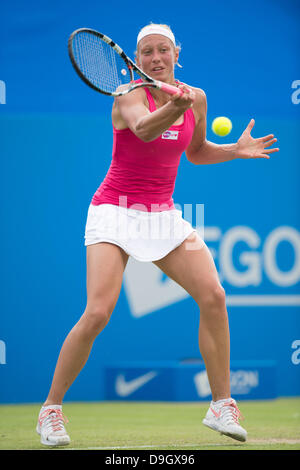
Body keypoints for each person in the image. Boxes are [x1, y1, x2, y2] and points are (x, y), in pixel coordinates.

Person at [36, 23, 279, 446]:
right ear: (137, 59)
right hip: (114, 211)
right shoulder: (127, 95)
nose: (155, 58)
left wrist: (236, 151)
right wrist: (174, 105)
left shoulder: (196, 97)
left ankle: (221, 405)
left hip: (161, 214)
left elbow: (197, 152)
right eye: (146, 52)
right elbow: (146, 129)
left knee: (214, 296)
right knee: (97, 313)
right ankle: (51, 410)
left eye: (162, 50)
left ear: (176, 53)